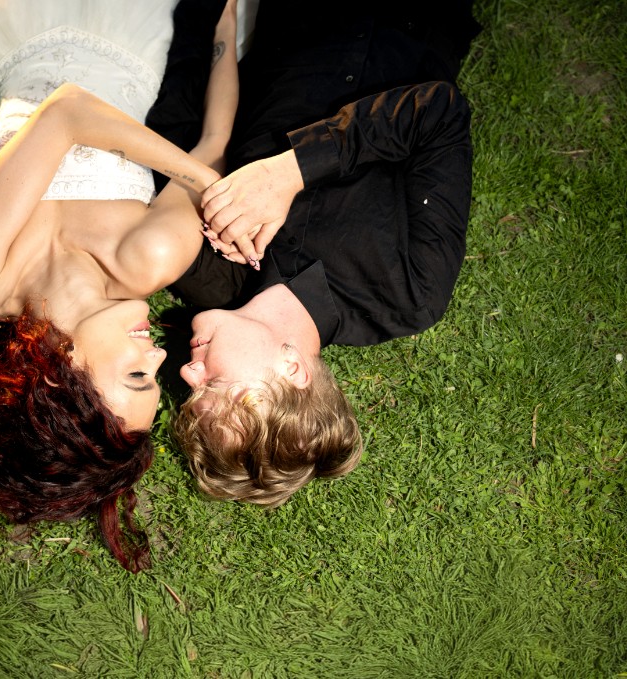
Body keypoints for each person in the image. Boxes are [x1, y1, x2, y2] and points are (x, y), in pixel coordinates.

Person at [0, 0, 244, 572]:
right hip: (125, 35)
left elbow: (65, 114)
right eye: (157, 373)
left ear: (62, 377)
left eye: (138, 374)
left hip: (9, 39)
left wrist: (205, 183)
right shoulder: (148, 258)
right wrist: (225, 35)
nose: (159, 351)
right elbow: (212, 139)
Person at [158, 1, 481, 507]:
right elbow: (439, 112)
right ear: (294, 371)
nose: (187, 374)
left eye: (192, 393)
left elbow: (178, 138)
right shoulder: (409, 293)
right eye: (214, 386)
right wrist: (291, 171)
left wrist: (201, 16)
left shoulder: (208, 273)